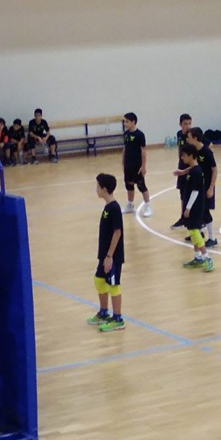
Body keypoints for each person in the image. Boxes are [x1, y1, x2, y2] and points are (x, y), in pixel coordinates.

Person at [87, 173, 125, 332]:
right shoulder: (108, 207)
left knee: (113, 285)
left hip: (113, 257)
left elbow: (117, 233)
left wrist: (109, 256)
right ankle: (103, 313)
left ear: (104, 189)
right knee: (99, 280)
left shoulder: (114, 208)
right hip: (104, 255)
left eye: (97, 187)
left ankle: (117, 319)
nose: (96, 189)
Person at [175, 144, 213, 272]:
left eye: (184, 155)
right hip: (193, 206)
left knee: (194, 231)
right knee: (193, 230)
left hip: (195, 207)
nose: (182, 158)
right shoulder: (193, 169)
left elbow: (195, 191)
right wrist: (182, 172)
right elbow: (192, 169)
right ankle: (198, 257)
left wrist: (188, 208)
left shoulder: (196, 172)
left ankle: (207, 257)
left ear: (191, 156)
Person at [186, 127, 218, 247]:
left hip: (207, 186)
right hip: (199, 185)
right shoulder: (194, 151)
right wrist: (183, 172)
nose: (187, 140)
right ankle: (198, 233)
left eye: (189, 137)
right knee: (198, 210)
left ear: (195, 138)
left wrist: (211, 188)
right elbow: (194, 166)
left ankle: (212, 238)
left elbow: (214, 170)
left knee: (205, 211)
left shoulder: (207, 152)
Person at [122, 112, 152, 217]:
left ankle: (148, 206)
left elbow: (143, 150)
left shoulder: (140, 135)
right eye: (124, 121)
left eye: (127, 121)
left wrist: (143, 166)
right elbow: (125, 148)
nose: (125, 123)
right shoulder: (126, 134)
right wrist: (123, 162)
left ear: (133, 122)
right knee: (129, 185)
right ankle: (130, 205)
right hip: (128, 165)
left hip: (137, 165)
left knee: (141, 186)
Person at [170, 113, 192, 229]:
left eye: (189, 123)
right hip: (181, 167)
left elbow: (208, 145)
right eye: (185, 124)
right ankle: (183, 218)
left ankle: (198, 218)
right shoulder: (179, 134)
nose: (187, 126)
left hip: (191, 169)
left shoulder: (192, 136)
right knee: (182, 194)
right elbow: (180, 149)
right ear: (180, 124)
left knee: (192, 194)